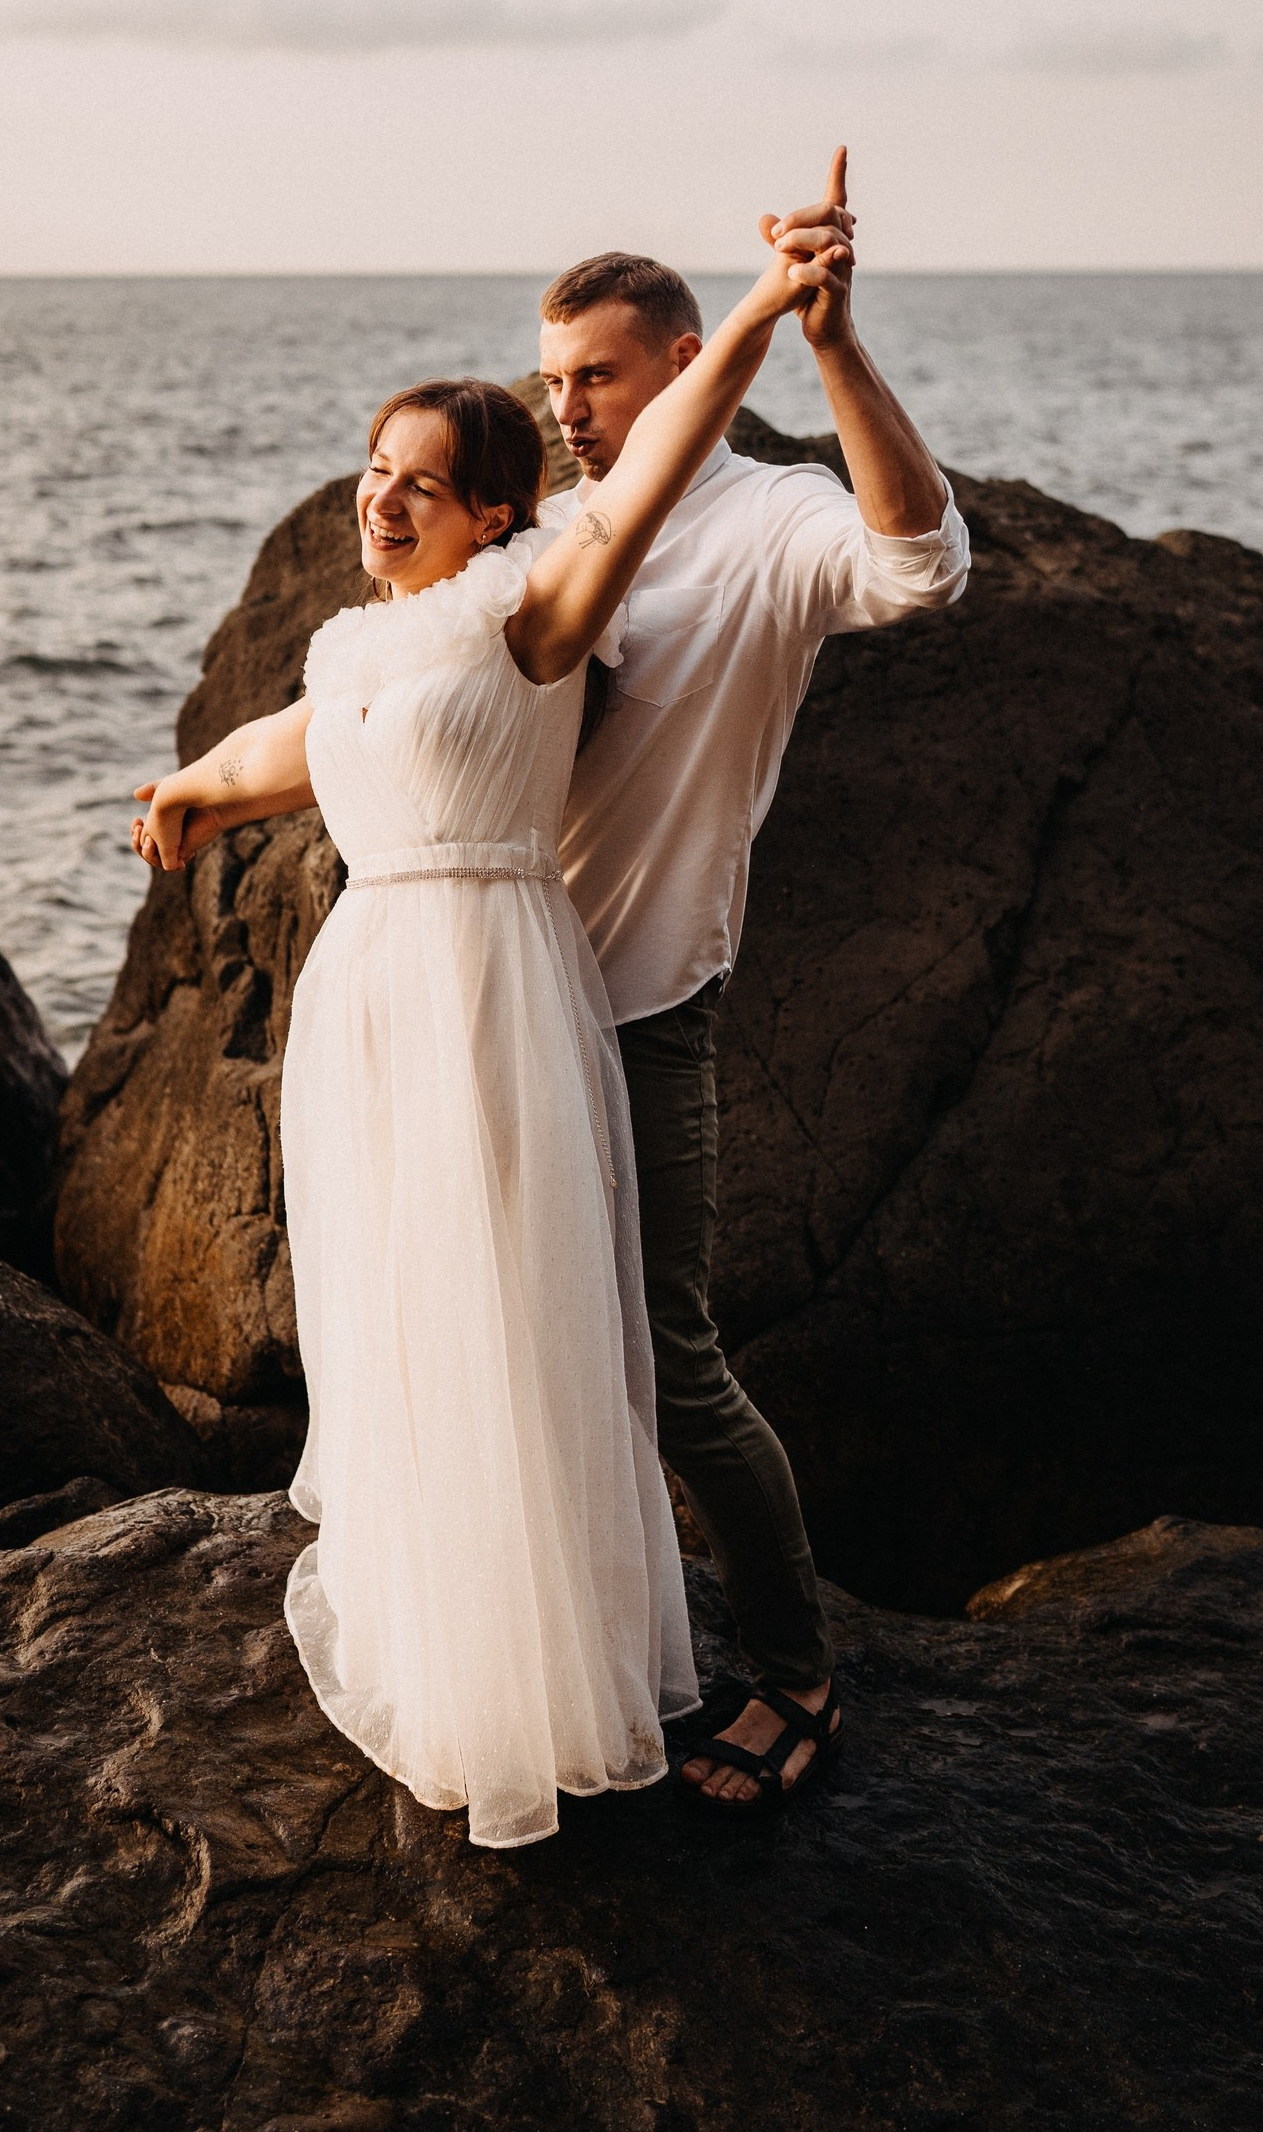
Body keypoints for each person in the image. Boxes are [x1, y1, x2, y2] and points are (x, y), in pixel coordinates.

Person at [129, 202, 854, 1847]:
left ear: (497, 512)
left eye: (421, 480)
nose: (382, 495)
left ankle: (635, 1669)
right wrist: (187, 794)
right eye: (374, 469)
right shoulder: (361, 640)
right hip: (372, 1009)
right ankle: (454, 1645)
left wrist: (756, 316)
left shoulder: (535, 612)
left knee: (553, 1340)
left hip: (504, 995)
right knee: (407, 1326)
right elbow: (286, 747)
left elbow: (657, 478)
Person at [534, 146, 970, 1809]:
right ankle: (577, 1649)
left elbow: (926, 570)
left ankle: (797, 1676)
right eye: (551, 378)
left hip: (644, 1004)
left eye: (598, 375)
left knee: (669, 1359)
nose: (570, 406)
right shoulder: (562, 530)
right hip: (504, 1000)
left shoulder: (774, 520)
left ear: (683, 360)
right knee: (529, 1340)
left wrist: (836, 350)